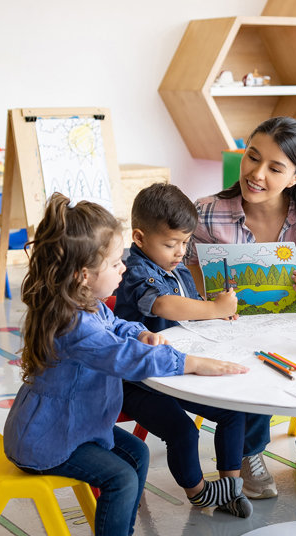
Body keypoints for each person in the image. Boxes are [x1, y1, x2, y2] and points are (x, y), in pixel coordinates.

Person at [3, 194, 250, 536]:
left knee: (134, 453)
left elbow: (119, 326)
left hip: (75, 426)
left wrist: (140, 332)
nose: (124, 268)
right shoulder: (73, 324)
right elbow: (128, 359)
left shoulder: (86, 304)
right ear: (84, 275)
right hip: (47, 441)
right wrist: (189, 362)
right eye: (116, 263)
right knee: (120, 477)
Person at [185, 116, 296, 500]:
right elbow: (183, 273)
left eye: (274, 168)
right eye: (252, 157)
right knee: (250, 357)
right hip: (229, 327)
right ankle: (249, 452)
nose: (256, 174)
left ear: (295, 176)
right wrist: (207, 287)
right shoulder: (206, 212)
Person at [114, 182, 252, 512]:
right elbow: (162, 306)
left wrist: (213, 315)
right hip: (140, 381)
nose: (180, 252)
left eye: (185, 242)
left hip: (180, 368)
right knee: (184, 432)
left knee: (234, 412)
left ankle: (230, 486)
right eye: (171, 243)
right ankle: (199, 492)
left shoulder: (175, 268)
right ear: (139, 238)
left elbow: (188, 308)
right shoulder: (135, 271)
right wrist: (214, 309)